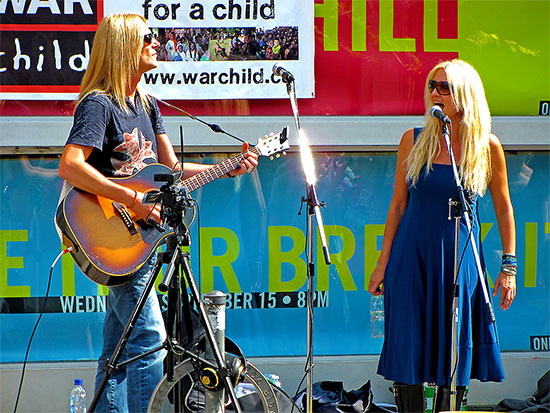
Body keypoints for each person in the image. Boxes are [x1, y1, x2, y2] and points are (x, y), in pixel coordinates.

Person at [57, 13, 258, 412]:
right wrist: (129, 199)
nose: (157, 42)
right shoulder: (100, 104)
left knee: (117, 352)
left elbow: (172, 172)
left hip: (142, 243)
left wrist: (228, 166)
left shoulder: (147, 105)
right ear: (124, 46)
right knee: (150, 339)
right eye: (148, 37)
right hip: (117, 232)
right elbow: (70, 165)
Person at [367, 59, 516, 413]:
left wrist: (508, 267)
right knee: (408, 345)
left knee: (455, 344)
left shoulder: (487, 146)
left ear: (465, 95)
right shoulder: (413, 140)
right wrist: (382, 263)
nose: (435, 93)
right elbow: (398, 205)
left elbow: (504, 208)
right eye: (432, 86)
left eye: (445, 87)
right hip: (411, 256)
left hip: (460, 259)